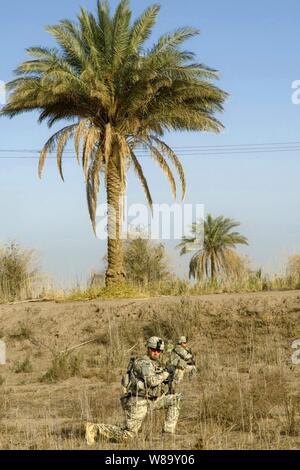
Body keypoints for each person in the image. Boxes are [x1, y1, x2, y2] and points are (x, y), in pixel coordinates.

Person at [85, 336, 182, 445]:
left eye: (158, 351)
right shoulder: (142, 362)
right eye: (153, 350)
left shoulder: (155, 363)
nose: (156, 353)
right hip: (137, 401)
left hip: (151, 400)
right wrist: (166, 373)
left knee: (175, 399)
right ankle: (95, 429)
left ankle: (167, 435)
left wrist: (169, 379)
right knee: (128, 436)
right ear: (148, 349)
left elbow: (159, 383)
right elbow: (152, 381)